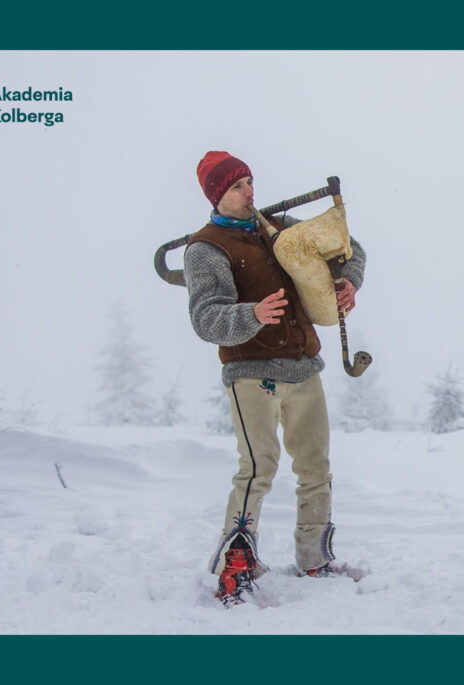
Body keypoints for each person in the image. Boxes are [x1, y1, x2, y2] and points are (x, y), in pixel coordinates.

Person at [186, 151, 365, 605]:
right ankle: (235, 567)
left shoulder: (279, 226)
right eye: (236, 188)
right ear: (216, 196)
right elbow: (206, 319)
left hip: (305, 367)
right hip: (251, 374)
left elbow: (349, 245)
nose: (249, 193)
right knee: (257, 469)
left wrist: (348, 281)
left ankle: (313, 559)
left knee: (315, 467)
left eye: (249, 182)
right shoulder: (206, 248)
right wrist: (253, 314)